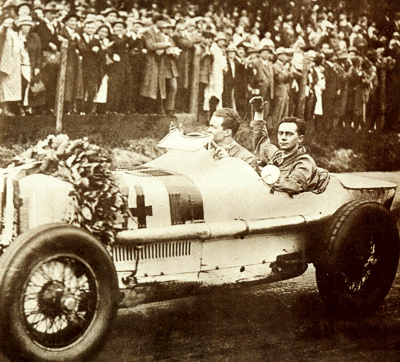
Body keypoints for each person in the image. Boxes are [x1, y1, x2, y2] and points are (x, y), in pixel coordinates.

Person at [249, 96, 320, 195]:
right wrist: (259, 112)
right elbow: (261, 142)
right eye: (280, 133)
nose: (283, 137)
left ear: (300, 139)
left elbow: (293, 185)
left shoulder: (304, 161)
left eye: (289, 134)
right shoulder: (277, 156)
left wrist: (262, 178)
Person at [207, 108, 259, 173]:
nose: (208, 130)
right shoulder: (208, 153)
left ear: (227, 132)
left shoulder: (247, 158)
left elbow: (249, 182)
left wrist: (229, 161)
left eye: (213, 127)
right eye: (209, 126)